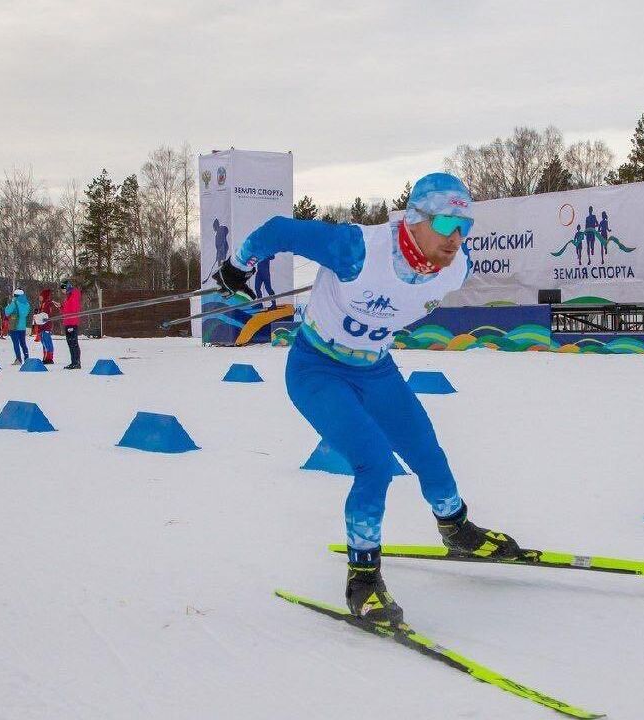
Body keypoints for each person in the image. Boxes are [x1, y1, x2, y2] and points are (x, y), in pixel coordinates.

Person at [213, 172, 524, 626]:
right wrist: (238, 266)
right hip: (317, 369)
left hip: (376, 370)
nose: (456, 238)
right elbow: (277, 230)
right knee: (375, 464)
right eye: (444, 224)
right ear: (414, 219)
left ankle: (455, 527)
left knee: (426, 450)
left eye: (465, 226)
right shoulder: (356, 249)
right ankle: (363, 577)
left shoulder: (457, 266)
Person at [4, 289, 31, 365]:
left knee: (16, 343)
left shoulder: (14, 303)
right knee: (23, 343)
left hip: (14, 326)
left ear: (15, 295)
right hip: (22, 327)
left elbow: (7, 312)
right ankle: (26, 357)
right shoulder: (27, 304)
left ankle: (18, 359)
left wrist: (9, 305)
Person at [60, 279, 82, 369]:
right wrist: (61, 306)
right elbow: (66, 311)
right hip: (67, 322)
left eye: (63, 288)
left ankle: (76, 362)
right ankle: (73, 361)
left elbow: (73, 309)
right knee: (70, 343)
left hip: (72, 322)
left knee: (73, 343)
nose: (62, 291)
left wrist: (64, 306)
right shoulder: (68, 296)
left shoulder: (74, 294)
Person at [35, 288, 60, 364]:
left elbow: (46, 315)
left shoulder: (47, 304)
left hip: (46, 326)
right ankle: (46, 357)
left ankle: (49, 358)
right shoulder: (43, 304)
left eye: (41, 296)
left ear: (44, 296)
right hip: (42, 326)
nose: (40, 297)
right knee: (44, 342)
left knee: (47, 341)